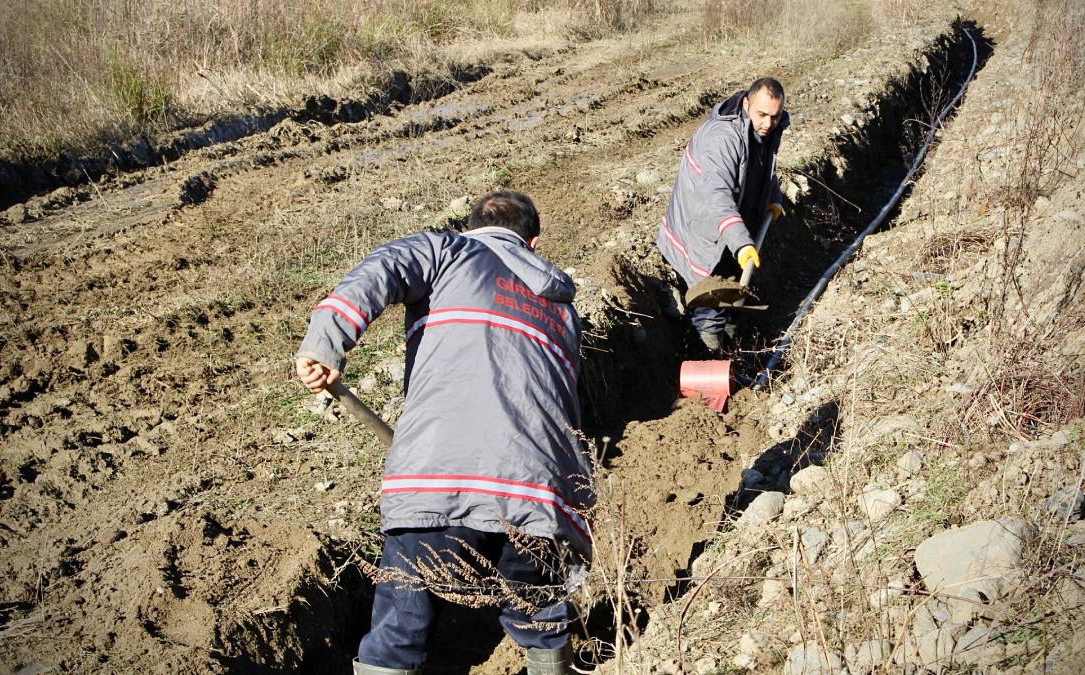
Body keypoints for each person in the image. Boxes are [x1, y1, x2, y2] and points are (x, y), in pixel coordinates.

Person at [294, 191, 592, 675]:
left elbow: (380, 269)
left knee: (399, 629)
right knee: (540, 614)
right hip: (538, 493)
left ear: (471, 227)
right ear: (532, 242)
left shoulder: (448, 251)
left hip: (441, 477)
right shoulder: (563, 310)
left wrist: (326, 342)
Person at [656, 76, 790, 353]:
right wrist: (741, 243)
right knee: (711, 305)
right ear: (746, 104)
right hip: (702, 230)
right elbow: (717, 197)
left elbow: (763, 167)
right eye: (762, 115)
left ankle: (729, 349)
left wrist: (773, 198)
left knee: (732, 300)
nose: (768, 123)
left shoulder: (766, 130)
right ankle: (706, 361)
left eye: (774, 117)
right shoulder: (722, 139)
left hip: (732, 226)